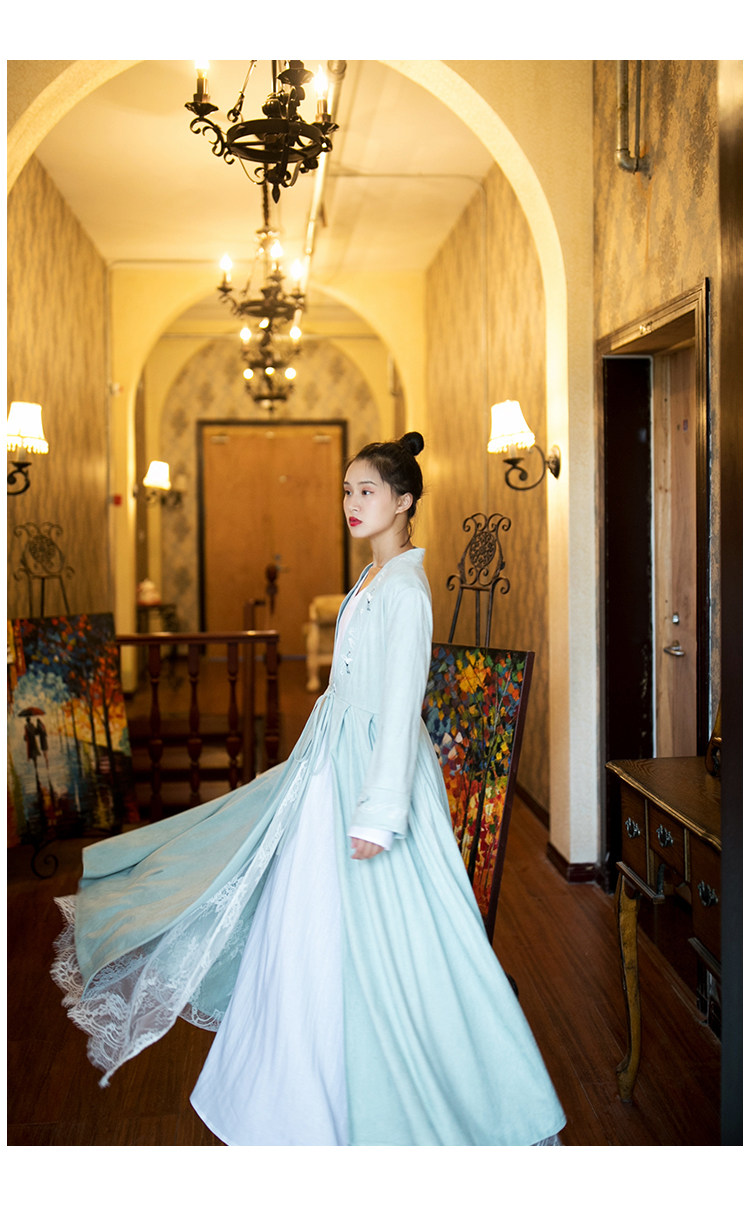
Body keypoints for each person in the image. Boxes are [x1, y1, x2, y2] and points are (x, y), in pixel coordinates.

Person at [52, 432, 565, 1147]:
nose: (352, 503)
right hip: (332, 758)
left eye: (368, 491)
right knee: (302, 910)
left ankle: (397, 1081)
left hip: (372, 770)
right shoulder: (372, 578)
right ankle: (292, 1075)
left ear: (404, 501)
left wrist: (379, 816)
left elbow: (400, 707)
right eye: (348, 491)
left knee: (385, 934)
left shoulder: (406, 589)